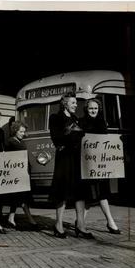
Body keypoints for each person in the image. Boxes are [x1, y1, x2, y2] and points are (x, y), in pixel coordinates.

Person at [49, 93, 94, 239]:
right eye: (73, 103)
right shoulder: (55, 118)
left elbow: (83, 136)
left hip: (77, 159)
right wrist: (70, 130)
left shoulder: (76, 119)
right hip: (64, 159)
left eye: (76, 103)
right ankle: (59, 225)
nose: (76, 105)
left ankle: (80, 226)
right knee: (62, 191)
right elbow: (56, 138)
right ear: (65, 104)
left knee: (80, 192)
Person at [80, 98, 121, 234]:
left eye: (95, 108)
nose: (93, 111)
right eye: (91, 108)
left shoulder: (102, 122)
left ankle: (110, 222)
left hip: (101, 165)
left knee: (102, 194)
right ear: (86, 109)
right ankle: (81, 223)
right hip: (88, 165)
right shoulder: (82, 122)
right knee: (89, 196)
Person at [5, 121, 38, 229]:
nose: (23, 133)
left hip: (23, 174)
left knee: (18, 198)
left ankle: (10, 218)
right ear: (15, 131)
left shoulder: (21, 142)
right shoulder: (10, 142)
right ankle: (31, 220)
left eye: (24, 131)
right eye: (21, 131)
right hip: (15, 175)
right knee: (23, 198)